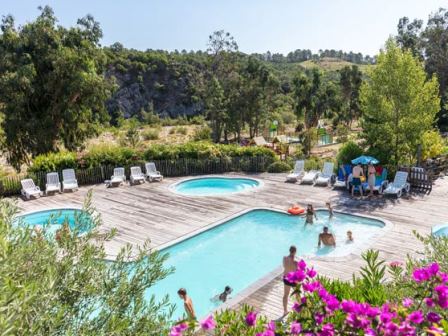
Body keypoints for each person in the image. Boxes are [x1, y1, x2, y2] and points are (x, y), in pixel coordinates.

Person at [282, 245, 298, 316]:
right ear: (295, 252)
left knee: (285, 295)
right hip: (293, 279)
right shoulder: (295, 262)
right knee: (297, 294)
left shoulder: (284, 258)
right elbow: (297, 271)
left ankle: (285, 311)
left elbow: (284, 266)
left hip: (286, 278)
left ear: (289, 251)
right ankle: (300, 309)